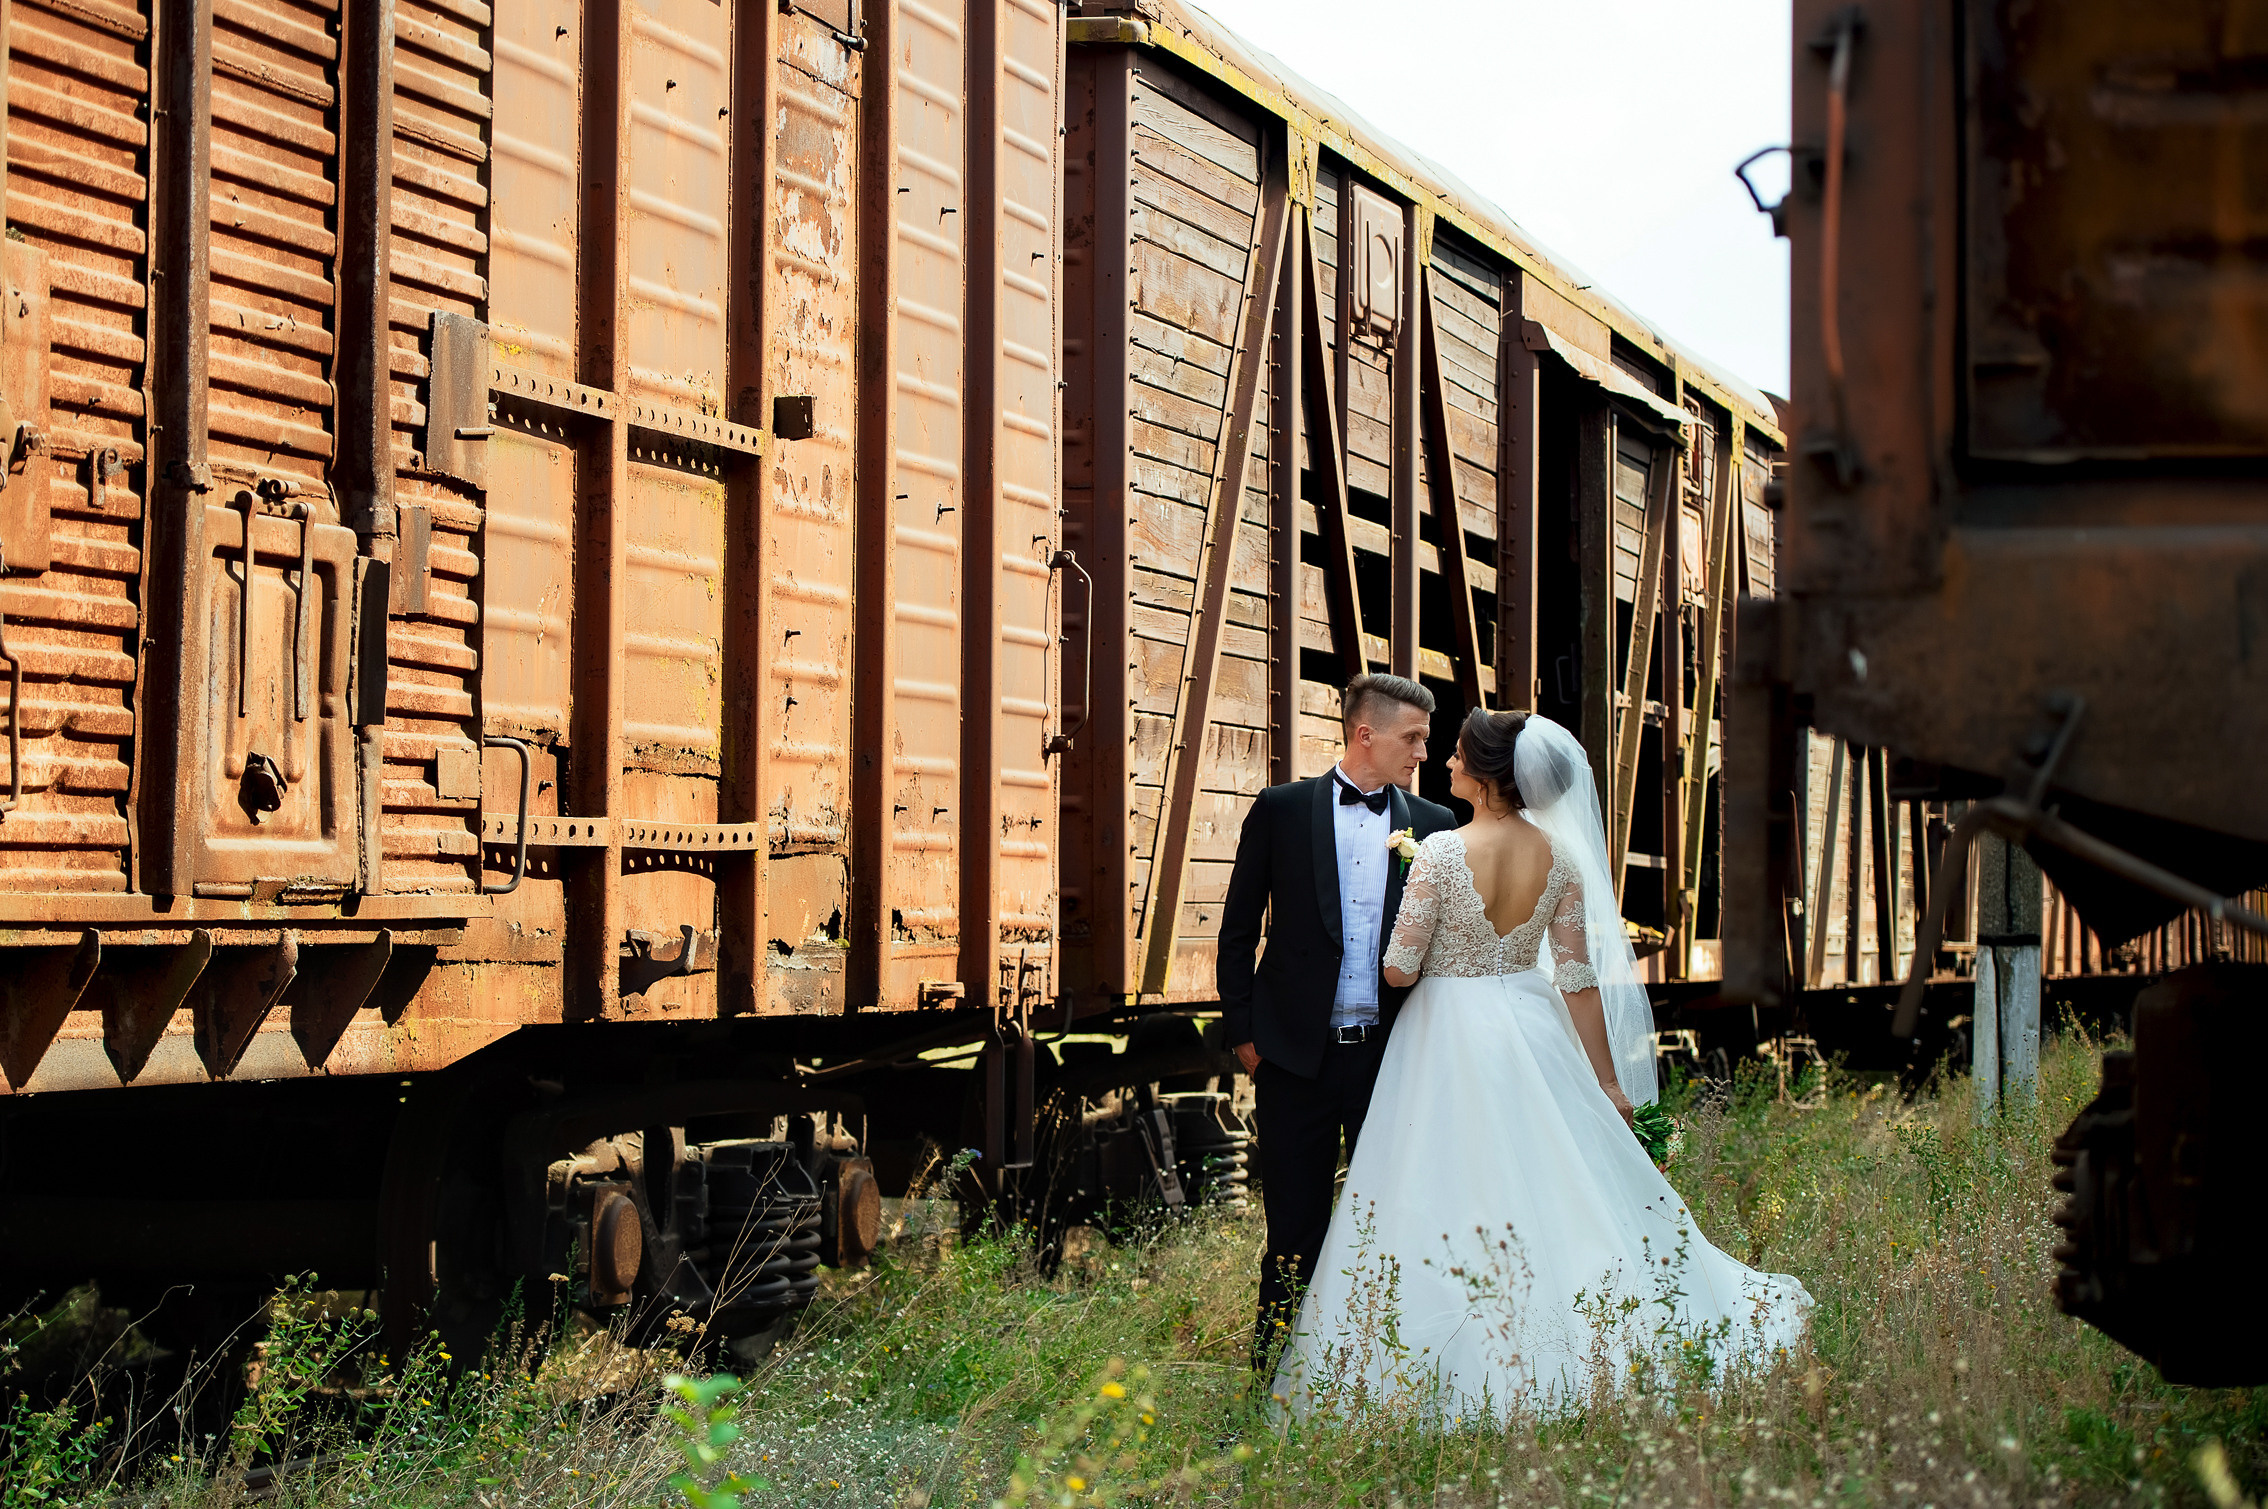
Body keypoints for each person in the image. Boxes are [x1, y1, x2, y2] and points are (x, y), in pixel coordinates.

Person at [1273, 709, 1812, 1420]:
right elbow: (1579, 979)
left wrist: (1423, 933)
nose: (1447, 763)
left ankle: (1432, 1367)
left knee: (1435, 1185)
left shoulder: (1437, 852)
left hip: (1447, 1032)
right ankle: (1576, 1349)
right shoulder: (1559, 858)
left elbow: (1399, 970)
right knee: (1548, 1183)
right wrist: (1610, 1081)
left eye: (1459, 755)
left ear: (1491, 775)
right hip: (1532, 1025)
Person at [1216, 673, 1459, 1368]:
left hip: (1391, 1061)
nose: (1422, 752)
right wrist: (1246, 1036)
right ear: (1366, 734)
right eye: (1412, 738)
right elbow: (1237, 932)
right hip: (1294, 1061)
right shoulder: (1282, 809)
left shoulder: (1435, 826)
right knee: (1292, 1235)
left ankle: (1388, 1382)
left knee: (1399, 1229)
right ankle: (1273, 1389)